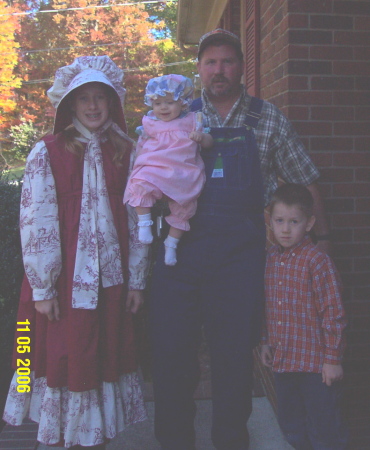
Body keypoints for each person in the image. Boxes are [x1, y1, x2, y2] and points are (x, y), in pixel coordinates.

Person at [149, 28, 331, 450]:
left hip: (240, 261)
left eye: (227, 61)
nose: (218, 70)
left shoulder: (267, 119)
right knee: (173, 359)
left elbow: (305, 182)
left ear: (241, 67)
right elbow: (146, 178)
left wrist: (323, 239)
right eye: (210, 62)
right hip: (180, 254)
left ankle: (231, 443)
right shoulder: (177, 117)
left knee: (233, 362)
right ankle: (175, 442)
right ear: (198, 69)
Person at [2, 56, 150, 449]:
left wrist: (136, 280)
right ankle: (58, 438)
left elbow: (137, 221)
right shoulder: (47, 151)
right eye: (83, 97)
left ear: (112, 101)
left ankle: (94, 437)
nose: (92, 105)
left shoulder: (126, 150)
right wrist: (43, 286)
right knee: (54, 352)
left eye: (99, 96)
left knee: (102, 355)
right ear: (69, 104)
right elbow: (37, 221)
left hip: (110, 284)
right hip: (62, 281)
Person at [261, 183, 348, 450]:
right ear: (271, 222)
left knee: (324, 430)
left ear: (309, 223)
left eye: (294, 221)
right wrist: (266, 341)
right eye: (280, 221)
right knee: (292, 426)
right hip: (284, 362)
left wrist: (332, 360)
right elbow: (270, 305)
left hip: (315, 366)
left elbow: (333, 313)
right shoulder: (272, 259)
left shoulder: (317, 261)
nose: (286, 229)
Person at [124, 74, 213, 265]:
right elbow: (141, 146)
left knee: (186, 204)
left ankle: (171, 244)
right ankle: (144, 223)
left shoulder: (192, 120)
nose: (163, 108)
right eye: (157, 103)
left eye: (170, 102)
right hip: (155, 166)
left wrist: (201, 138)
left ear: (183, 103)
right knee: (140, 182)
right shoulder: (150, 123)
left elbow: (209, 141)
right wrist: (137, 165)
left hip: (182, 169)